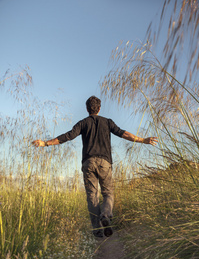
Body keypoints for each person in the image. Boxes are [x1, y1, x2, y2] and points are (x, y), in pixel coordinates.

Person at [32, 96, 158, 238]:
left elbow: (67, 136)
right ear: (99, 108)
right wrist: (143, 140)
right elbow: (124, 134)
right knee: (108, 193)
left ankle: (97, 231)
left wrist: (45, 143)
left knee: (92, 196)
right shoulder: (108, 122)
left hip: (88, 163)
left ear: (87, 109)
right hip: (105, 163)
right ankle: (105, 214)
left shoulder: (83, 123)